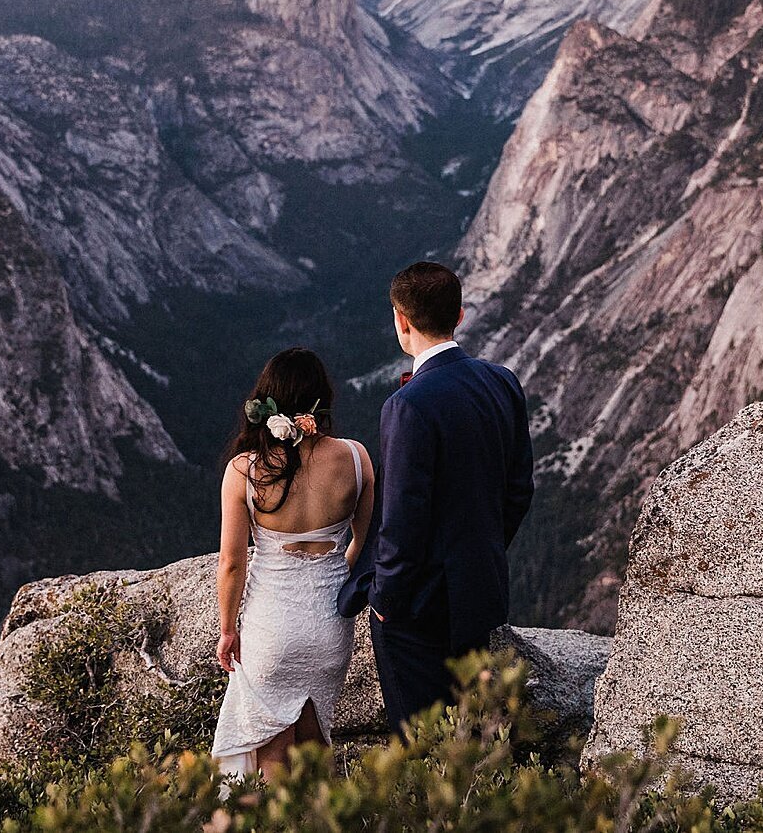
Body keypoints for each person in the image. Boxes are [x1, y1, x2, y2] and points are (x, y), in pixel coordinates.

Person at [337, 261, 534, 730]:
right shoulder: (503, 382)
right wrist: (478, 551)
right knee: (472, 744)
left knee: (423, 749)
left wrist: (385, 599)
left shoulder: (407, 405)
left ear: (401, 322)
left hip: (417, 613)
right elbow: (519, 489)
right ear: (460, 316)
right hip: (481, 597)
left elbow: (402, 519)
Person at [211, 347, 376, 775]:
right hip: (329, 626)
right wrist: (337, 570)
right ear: (322, 400)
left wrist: (228, 630)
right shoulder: (357, 460)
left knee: (271, 756)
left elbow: (231, 562)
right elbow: (366, 544)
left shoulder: (246, 469)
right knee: (318, 746)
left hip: (271, 626)